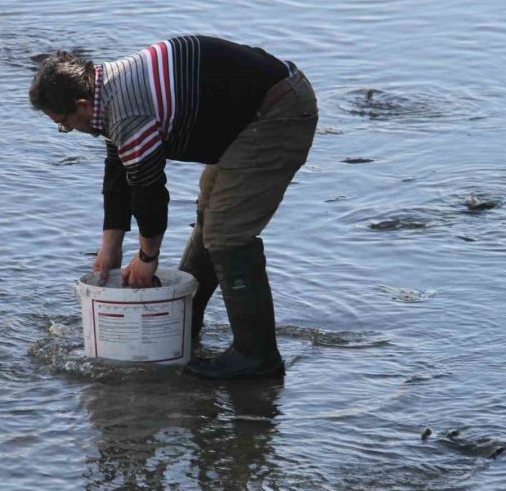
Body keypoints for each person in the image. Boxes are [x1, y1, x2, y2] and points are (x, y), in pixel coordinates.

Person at [29, 35, 318, 380]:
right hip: (246, 117)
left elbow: (149, 189)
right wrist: (111, 248)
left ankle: (258, 356)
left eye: (62, 123)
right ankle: (183, 324)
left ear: (81, 105)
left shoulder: (126, 113)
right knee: (211, 220)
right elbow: (118, 172)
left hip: (275, 112)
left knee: (228, 234)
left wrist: (148, 257)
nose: (66, 129)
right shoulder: (106, 90)